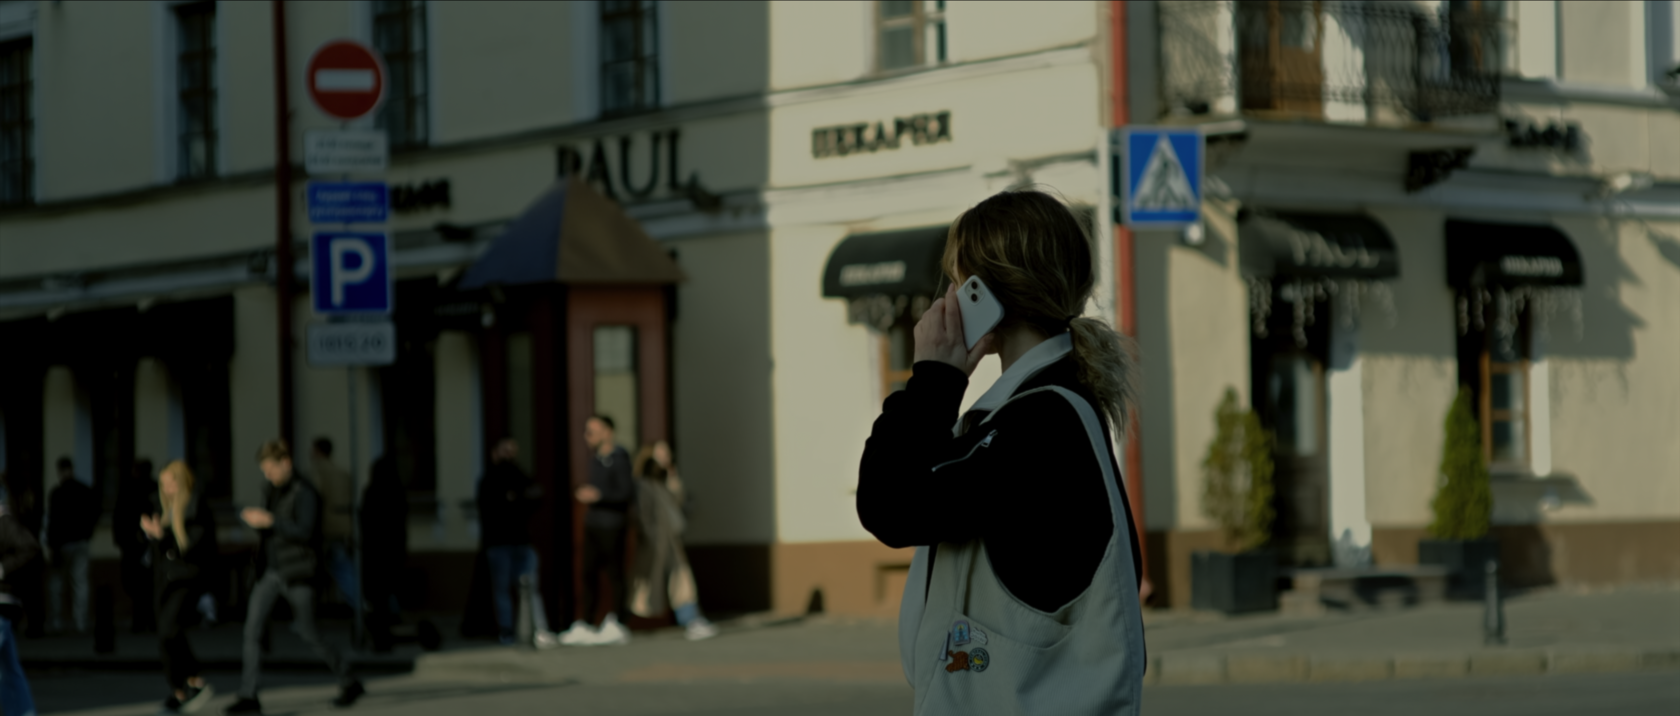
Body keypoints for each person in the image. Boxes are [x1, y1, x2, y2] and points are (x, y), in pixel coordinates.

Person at [856, 190, 1146, 713]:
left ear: (982, 295)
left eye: (957, 281)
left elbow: (889, 504)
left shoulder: (1041, 422)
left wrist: (933, 380)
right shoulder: (1040, 410)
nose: (948, 297)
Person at [226, 440, 363, 715]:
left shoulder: (305, 491)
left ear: (286, 463)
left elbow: (305, 531)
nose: (268, 475)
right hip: (271, 571)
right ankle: (248, 694)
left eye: (271, 469)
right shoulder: (271, 490)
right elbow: (273, 530)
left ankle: (349, 679)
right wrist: (259, 523)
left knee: (309, 632)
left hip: (299, 572)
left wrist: (270, 521)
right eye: (264, 470)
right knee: (252, 630)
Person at [144, 460, 217, 715]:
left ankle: (195, 678)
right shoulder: (160, 506)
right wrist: (151, 535)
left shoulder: (196, 506)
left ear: (183, 482)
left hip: (186, 578)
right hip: (164, 579)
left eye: (172, 483)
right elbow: (157, 547)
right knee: (164, 635)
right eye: (163, 484)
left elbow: (194, 545)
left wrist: (162, 536)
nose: (167, 489)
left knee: (169, 627)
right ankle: (178, 689)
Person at [558, 415, 635, 647]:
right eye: (586, 431)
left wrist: (599, 496)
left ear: (607, 432)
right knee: (588, 574)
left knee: (615, 574)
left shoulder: (620, 458)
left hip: (613, 525)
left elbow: (626, 493)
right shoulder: (594, 460)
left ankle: (618, 621)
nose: (587, 436)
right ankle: (587, 623)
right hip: (593, 524)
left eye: (592, 431)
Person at [629, 440, 716, 641]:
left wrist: (673, 477)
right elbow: (641, 514)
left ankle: (691, 619)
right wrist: (647, 536)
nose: (666, 458)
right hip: (652, 541)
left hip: (669, 540)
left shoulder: (663, 482)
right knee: (642, 584)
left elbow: (677, 502)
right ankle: (621, 621)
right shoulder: (643, 484)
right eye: (661, 454)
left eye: (668, 454)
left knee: (681, 579)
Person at [474, 438, 556, 648]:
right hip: (498, 543)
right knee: (502, 589)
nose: (510, 455)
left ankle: (537, 629)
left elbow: (536, 495)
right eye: (505, 451)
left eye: (513, 451)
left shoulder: (519, 474)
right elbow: (494, 508)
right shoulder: (489, 479)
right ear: (494, 452)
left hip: (521, 541)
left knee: (529, 587)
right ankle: (507, 631)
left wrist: (516, 498)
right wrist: (515, 499)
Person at [359, 456, 408, 652]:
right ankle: (389, 630)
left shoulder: (372, 492)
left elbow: (365, 522)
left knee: (377, 600)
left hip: (375, 553)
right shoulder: (398, 492)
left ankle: (381, 640)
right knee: (388, 594)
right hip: (393, 552)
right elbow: (402, 524)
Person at [45, 457, 98, 635]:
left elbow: (52, 521)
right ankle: (80, 621)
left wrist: (51, 544)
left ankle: (57, 620)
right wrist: (88, 533)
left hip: (62, 544)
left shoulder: (57, 493)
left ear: (60, 471)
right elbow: (94, 513)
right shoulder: (84, 490)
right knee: (80, 583)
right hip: (80, 541)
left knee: (57, 584)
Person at [0, 490, 41, 716]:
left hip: (2, 601)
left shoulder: (4, 521)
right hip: (5, 604)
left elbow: (30, 547)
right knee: (9, 669)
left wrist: (2, 569)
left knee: (8, 670)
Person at [310, 438, 359, 615]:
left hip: (325, 529)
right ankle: (361, 605)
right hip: (344, 528)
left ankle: (360, 606)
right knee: (343, 567)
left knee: (334, 568)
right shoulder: (343, 474)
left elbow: (313, 501)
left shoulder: (317, 473)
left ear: (317, 451)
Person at [117, 459, 160, 634]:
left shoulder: (130, 489)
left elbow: (120, 517)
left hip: (135, 545)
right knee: (148, 585)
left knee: (137, 585)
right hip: (146, 544)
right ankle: (149, 620)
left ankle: (141, 621)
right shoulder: (153, 489)